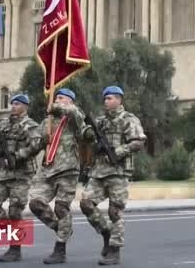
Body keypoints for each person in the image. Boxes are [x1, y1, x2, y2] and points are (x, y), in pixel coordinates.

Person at [80, 86, 147, 265]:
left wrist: (118, 151)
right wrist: (87, 132)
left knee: (114, 211)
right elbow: (85, 136)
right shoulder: (100, 121)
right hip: (99, 172)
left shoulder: (128, 120)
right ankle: (106, 232)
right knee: (86, 203)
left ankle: (114, 251)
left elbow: (139, 141)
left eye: (110, 98)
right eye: (105, 99)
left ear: (119, 100)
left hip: (118, 172)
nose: (106, 101)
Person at [29, 88, 89, 264]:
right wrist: (41, 140)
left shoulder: (73, 118)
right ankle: (60, 227)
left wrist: (62, 108)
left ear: (70, 101)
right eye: (56, 98)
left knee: (61, 208)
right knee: (35, 203)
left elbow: (78, 116)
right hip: (47, 170)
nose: (56, 100)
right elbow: (34, 145)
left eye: (61, 98)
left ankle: (60, 249)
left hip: (68, 170)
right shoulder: (46, 121)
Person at [0, 94, 42, 262]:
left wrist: (18, 155)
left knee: (15, 211)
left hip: (22, 174)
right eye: (13, 104)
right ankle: (13, 232)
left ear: (25, 106)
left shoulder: (31, 125)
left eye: (17, 104)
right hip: (4, 173)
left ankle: (14, 249)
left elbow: (36, 146)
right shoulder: (4, 124)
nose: (14, 106)